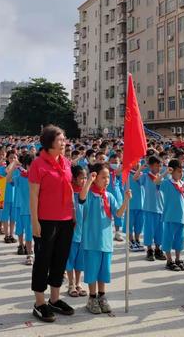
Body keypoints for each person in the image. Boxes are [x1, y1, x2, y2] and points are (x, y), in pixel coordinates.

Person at [29, 125, 75, 323]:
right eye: (60, 140)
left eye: (64, 139)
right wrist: (35, 222)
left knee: (60, 260)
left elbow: (70, 189)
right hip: (46, 221)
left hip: (65, 220)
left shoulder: (65, 162)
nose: (64, 143)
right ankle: (40, 302)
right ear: (49, 143)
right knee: (43, 260)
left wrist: (73, 214)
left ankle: (55, 299)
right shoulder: (38, 164)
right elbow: (33, 195)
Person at [79, 163, 131, 314]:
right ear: (95, 178)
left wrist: (126, 200)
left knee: (103, 272)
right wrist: (89, 181)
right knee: (92, 272)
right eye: (103, 177)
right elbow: (81, 198)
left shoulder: (110, 196)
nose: (106, 180)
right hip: (91, 241)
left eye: (108, 177)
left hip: (106, 242)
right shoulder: (89, 194)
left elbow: (119, 214)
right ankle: (92, 298)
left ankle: (102, 296)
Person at [160, 159, 184, 271]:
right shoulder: (166, 183)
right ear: (172, 171)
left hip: (180, 219)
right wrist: (166, 172)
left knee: (179, 240)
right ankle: (169, 260)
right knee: (168, 239)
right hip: (170, 217)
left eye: (182, 171)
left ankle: (177, 259)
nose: (181, 173)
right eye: (178, 171)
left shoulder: (182, 184)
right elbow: (156, 182)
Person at [139, 156, 166, 262]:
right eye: (156, 165)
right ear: (150, 166)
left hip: (161, 208)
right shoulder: (146, 176)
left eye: (160, 165)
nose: (158, 168)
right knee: (149, 230)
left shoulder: (162, 177)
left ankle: (158, 249)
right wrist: (141, 168)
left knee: (160, 230)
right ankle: (149, 250)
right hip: (149, 208)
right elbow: (135, 178)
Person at [65, 165, 86, 298]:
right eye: (81, 178)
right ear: (73, 178)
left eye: (85, 177)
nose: (84, 180)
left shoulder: (86, 192)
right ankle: (71, 284)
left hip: (83, 233)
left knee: (80, 260)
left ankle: (78, 283)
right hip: (71, 232)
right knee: (70, 260)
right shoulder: (69, 191)